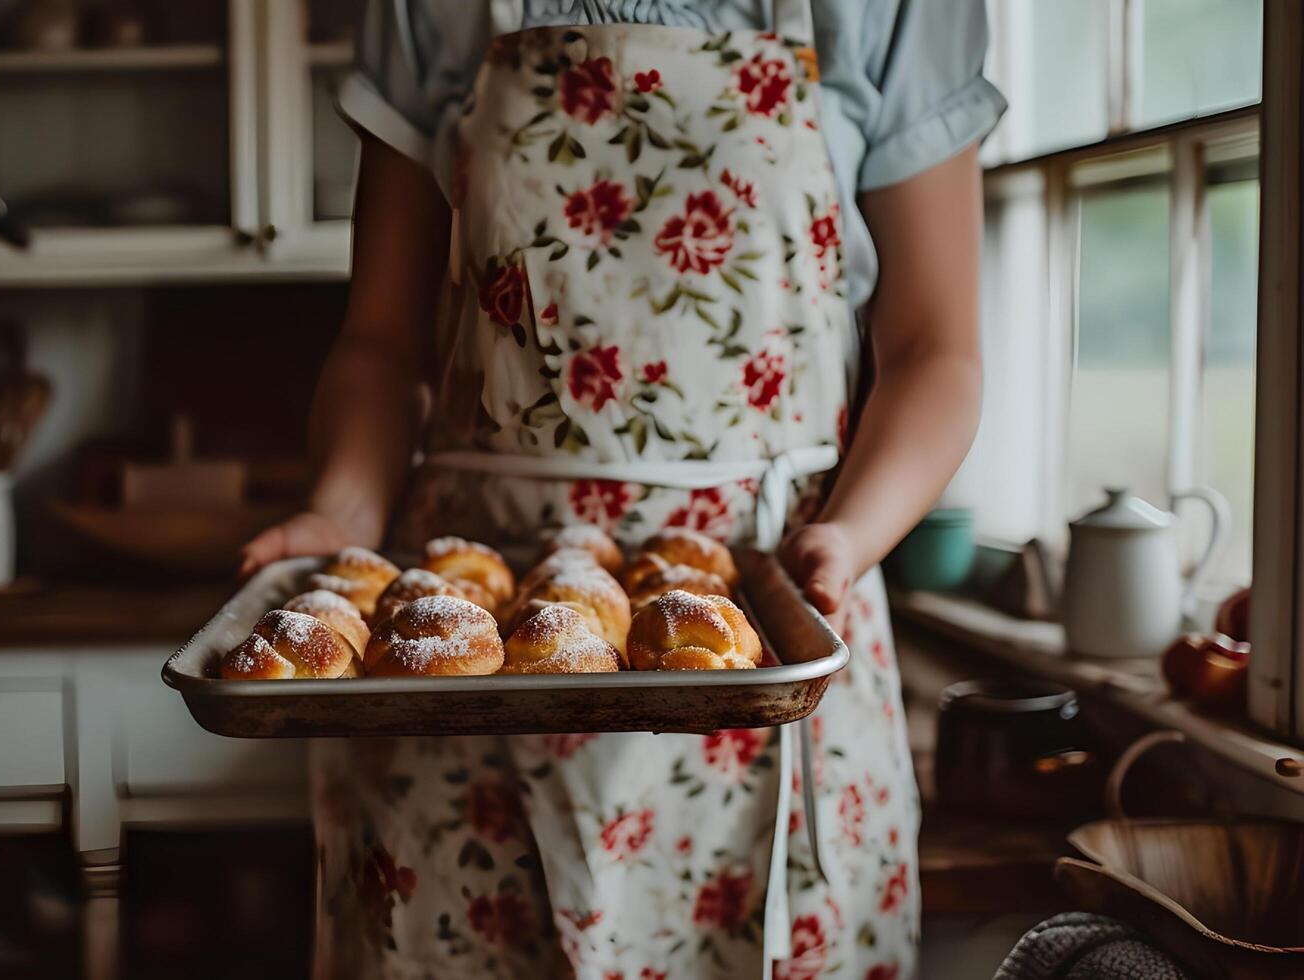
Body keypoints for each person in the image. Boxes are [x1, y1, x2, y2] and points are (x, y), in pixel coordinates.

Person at [242, 1, 1003, 976]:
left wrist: (851, 534)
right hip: (466, 653)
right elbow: (380, 343)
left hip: (768, 623)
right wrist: (343, 511)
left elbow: (935, 350)